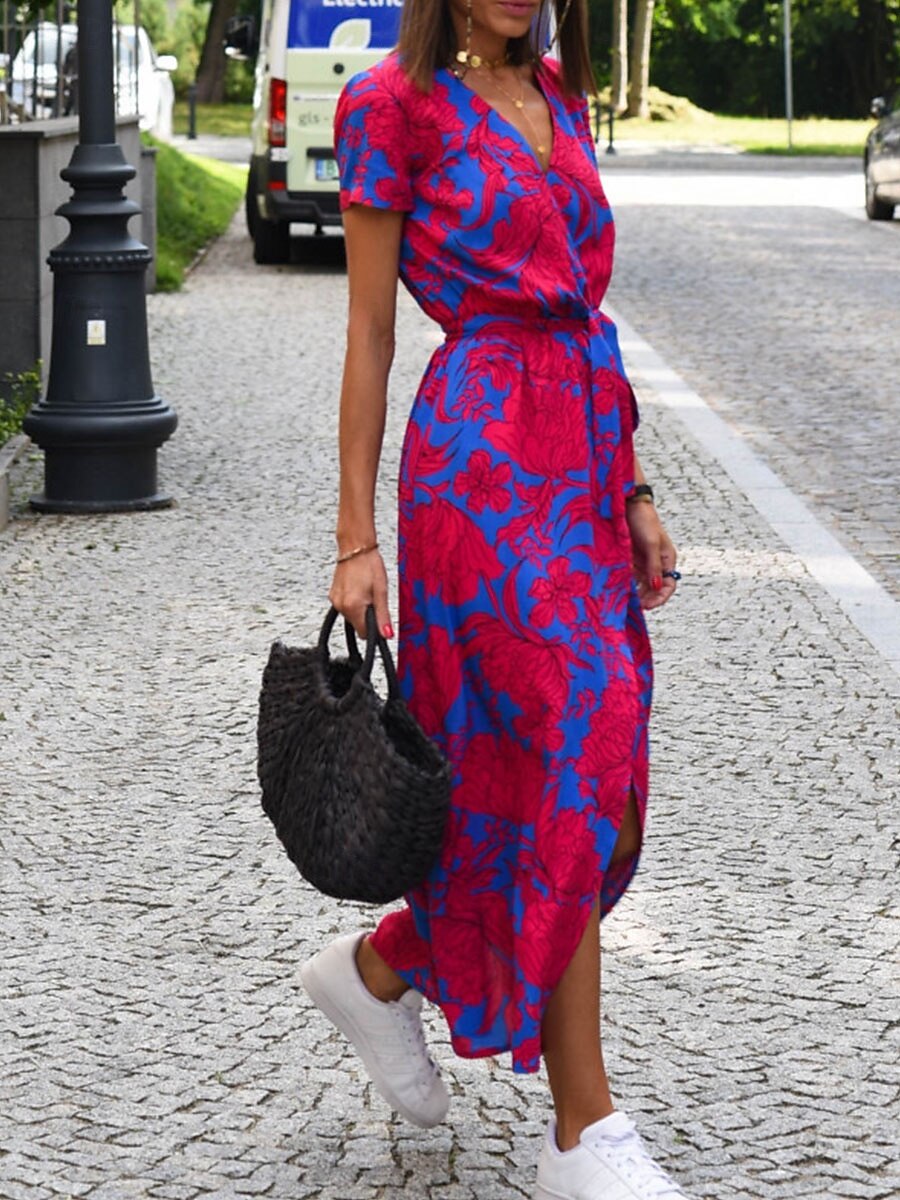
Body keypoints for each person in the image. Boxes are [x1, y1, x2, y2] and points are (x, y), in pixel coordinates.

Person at [300, 0, 690, 1195]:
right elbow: (370, 330)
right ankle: (585, 1131)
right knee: (570, 747)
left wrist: (633, 488)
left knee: (595, 782)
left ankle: (380, 970)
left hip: (581, 458)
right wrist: (355, 539)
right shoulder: (390, 105)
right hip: (479, 470)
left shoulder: (559, 94)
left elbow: (586, 309)